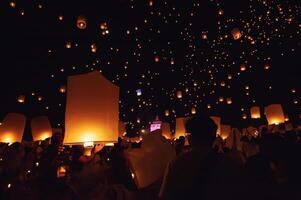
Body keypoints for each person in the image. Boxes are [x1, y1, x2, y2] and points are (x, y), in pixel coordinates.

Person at [159, 114, 241, 200]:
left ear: (190, 138)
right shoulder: (229, 164)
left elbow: (165, 195)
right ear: (213, 137)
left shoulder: (177, 164)